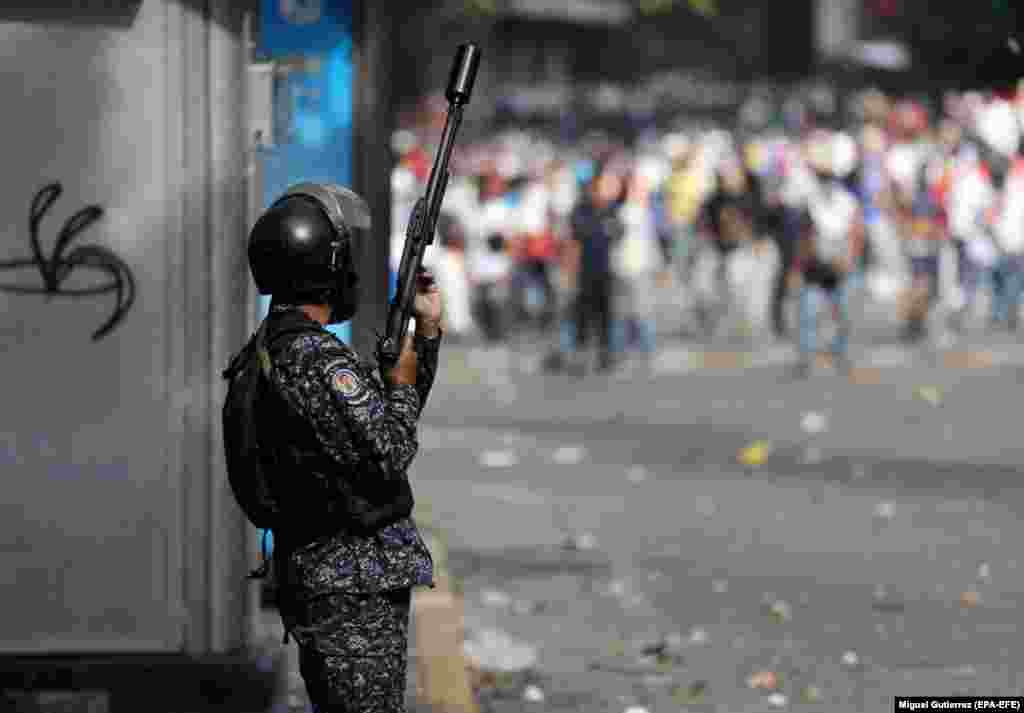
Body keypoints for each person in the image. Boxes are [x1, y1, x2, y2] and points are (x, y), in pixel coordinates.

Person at [246, 183, 442, 712]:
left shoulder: (279, 346)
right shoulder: (318, 360)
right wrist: (399, 384)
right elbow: (390, 451)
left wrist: (423, 337)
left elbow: (370, 433)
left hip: (323, 577)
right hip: (350, 588)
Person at [568, 165, 624, 373]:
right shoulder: (580, 209)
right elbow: (579, 231)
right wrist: (601, 228)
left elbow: (618, 231)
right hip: (585, 271)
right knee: (582, 315)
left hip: (606, 270)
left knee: (605, 315)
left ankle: (605, 354)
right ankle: (580, 356)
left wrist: (604, 228)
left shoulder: (610, 209)